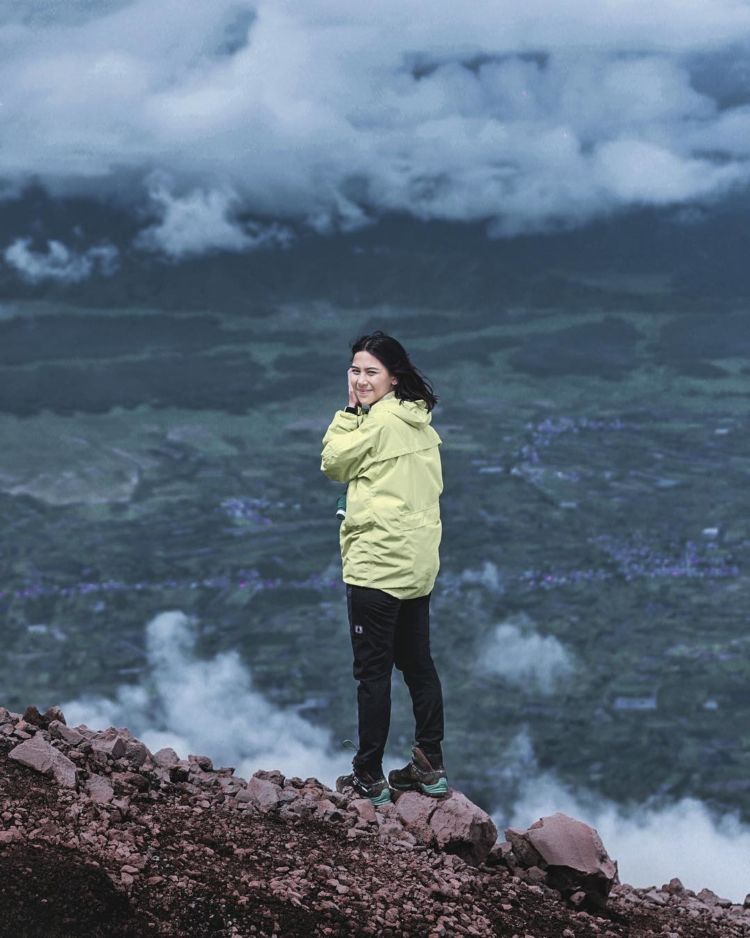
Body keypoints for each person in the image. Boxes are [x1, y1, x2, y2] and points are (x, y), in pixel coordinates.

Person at [320, 331, 448, 805]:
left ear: (394, 377)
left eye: (371, 371)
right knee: (418, 665)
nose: (360, 379)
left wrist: (349, 410)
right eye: (355, 370)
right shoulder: (419, 419)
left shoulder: (376, 423)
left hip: (376, 566)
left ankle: (367, 775)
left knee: (372, 673)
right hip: (416, 565)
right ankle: (430, 764)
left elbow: (332, 462)